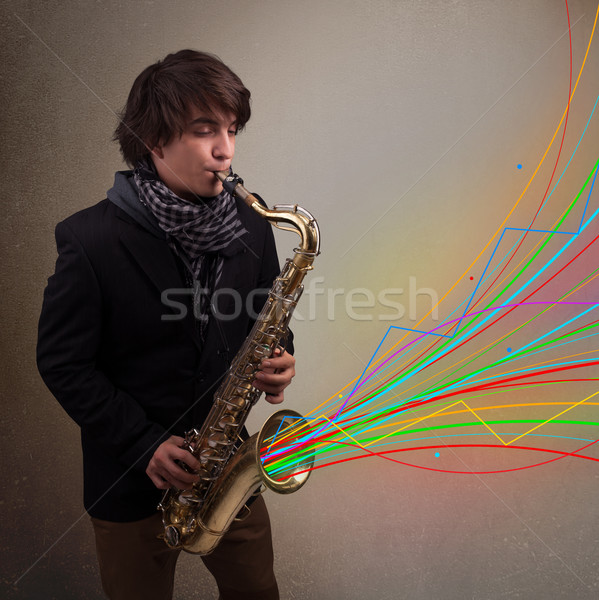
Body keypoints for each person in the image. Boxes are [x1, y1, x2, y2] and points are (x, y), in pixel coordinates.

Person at [36, 49, 295, 600]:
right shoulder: (89, 240)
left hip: (228, 468)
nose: (226, 151)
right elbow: (62, 362)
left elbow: (265, 320)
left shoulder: (252, 223)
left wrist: (279, 358)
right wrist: (144, 444)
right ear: (154, 140)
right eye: (206, 132)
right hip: (130, 483)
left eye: (231, 130)